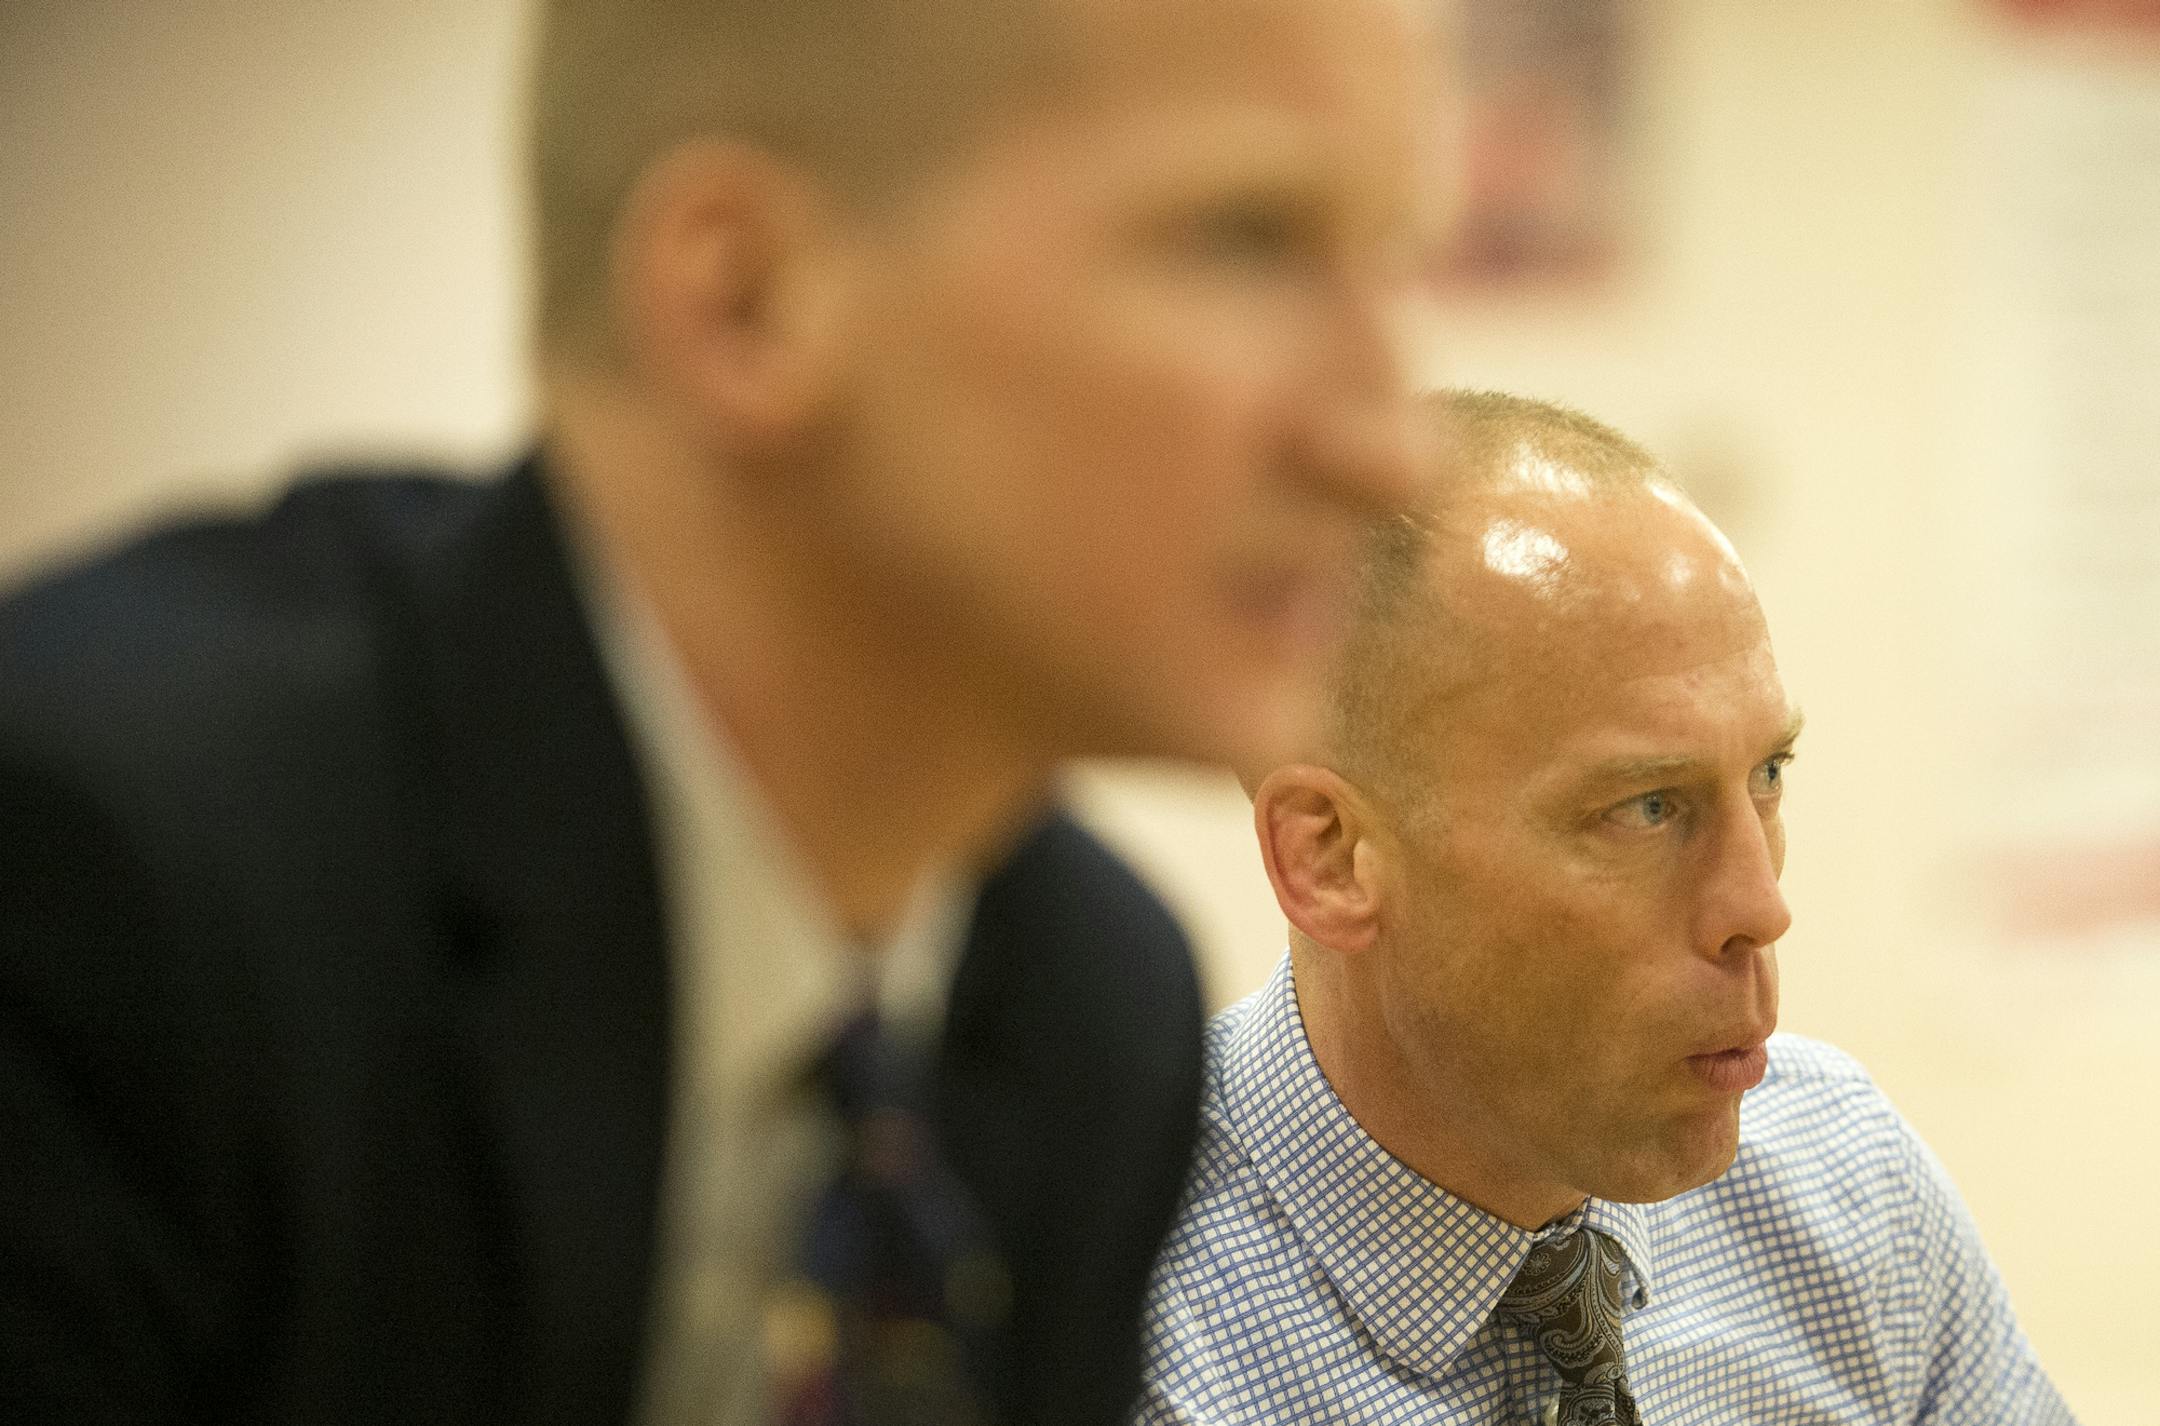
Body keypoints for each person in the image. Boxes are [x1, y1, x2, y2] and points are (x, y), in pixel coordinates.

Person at [0, 1, 1449, 1423]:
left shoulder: (1092, 1007)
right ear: (743, 296)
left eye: (1391, 260)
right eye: (1248, 239)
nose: (1394, 444)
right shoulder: (100, 875)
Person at [1138, 392, 2074, 1425]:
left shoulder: (1845, 1186)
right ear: (1332, 856)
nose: (1759, 906)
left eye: (1767, 773)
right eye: (1645, 807)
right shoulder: (1110, 1314)